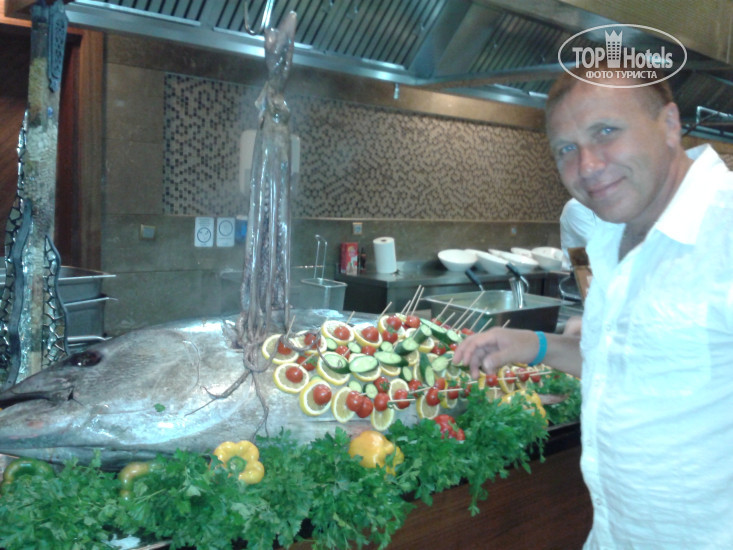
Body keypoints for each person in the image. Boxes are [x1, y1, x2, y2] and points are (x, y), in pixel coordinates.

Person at [454, 65, 733, 549]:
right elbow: (633, 364)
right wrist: (535, 344)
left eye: (606, 131)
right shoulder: (609, 232)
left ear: (669, 124)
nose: (586, 166)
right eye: (566, 149)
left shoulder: (723, 231)